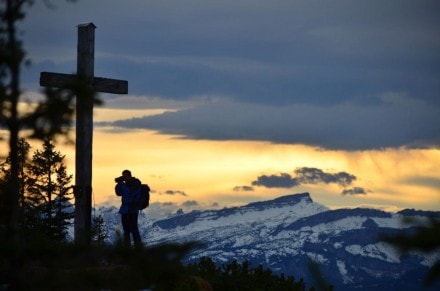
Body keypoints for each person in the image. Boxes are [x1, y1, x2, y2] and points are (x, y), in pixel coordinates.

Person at [115, 169, 142, 246]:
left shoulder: (135, 184)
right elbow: (118, 193)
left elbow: (128, 193)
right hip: (125, 210)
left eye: (125, 176)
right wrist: (118, 184)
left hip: (132, 210)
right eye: (123, 176)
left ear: (130, 175)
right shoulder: (125, 184)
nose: (124, 178)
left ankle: (138, 248)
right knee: (126, 230)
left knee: (134, 229)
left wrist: (121, 183)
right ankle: (127, 247)